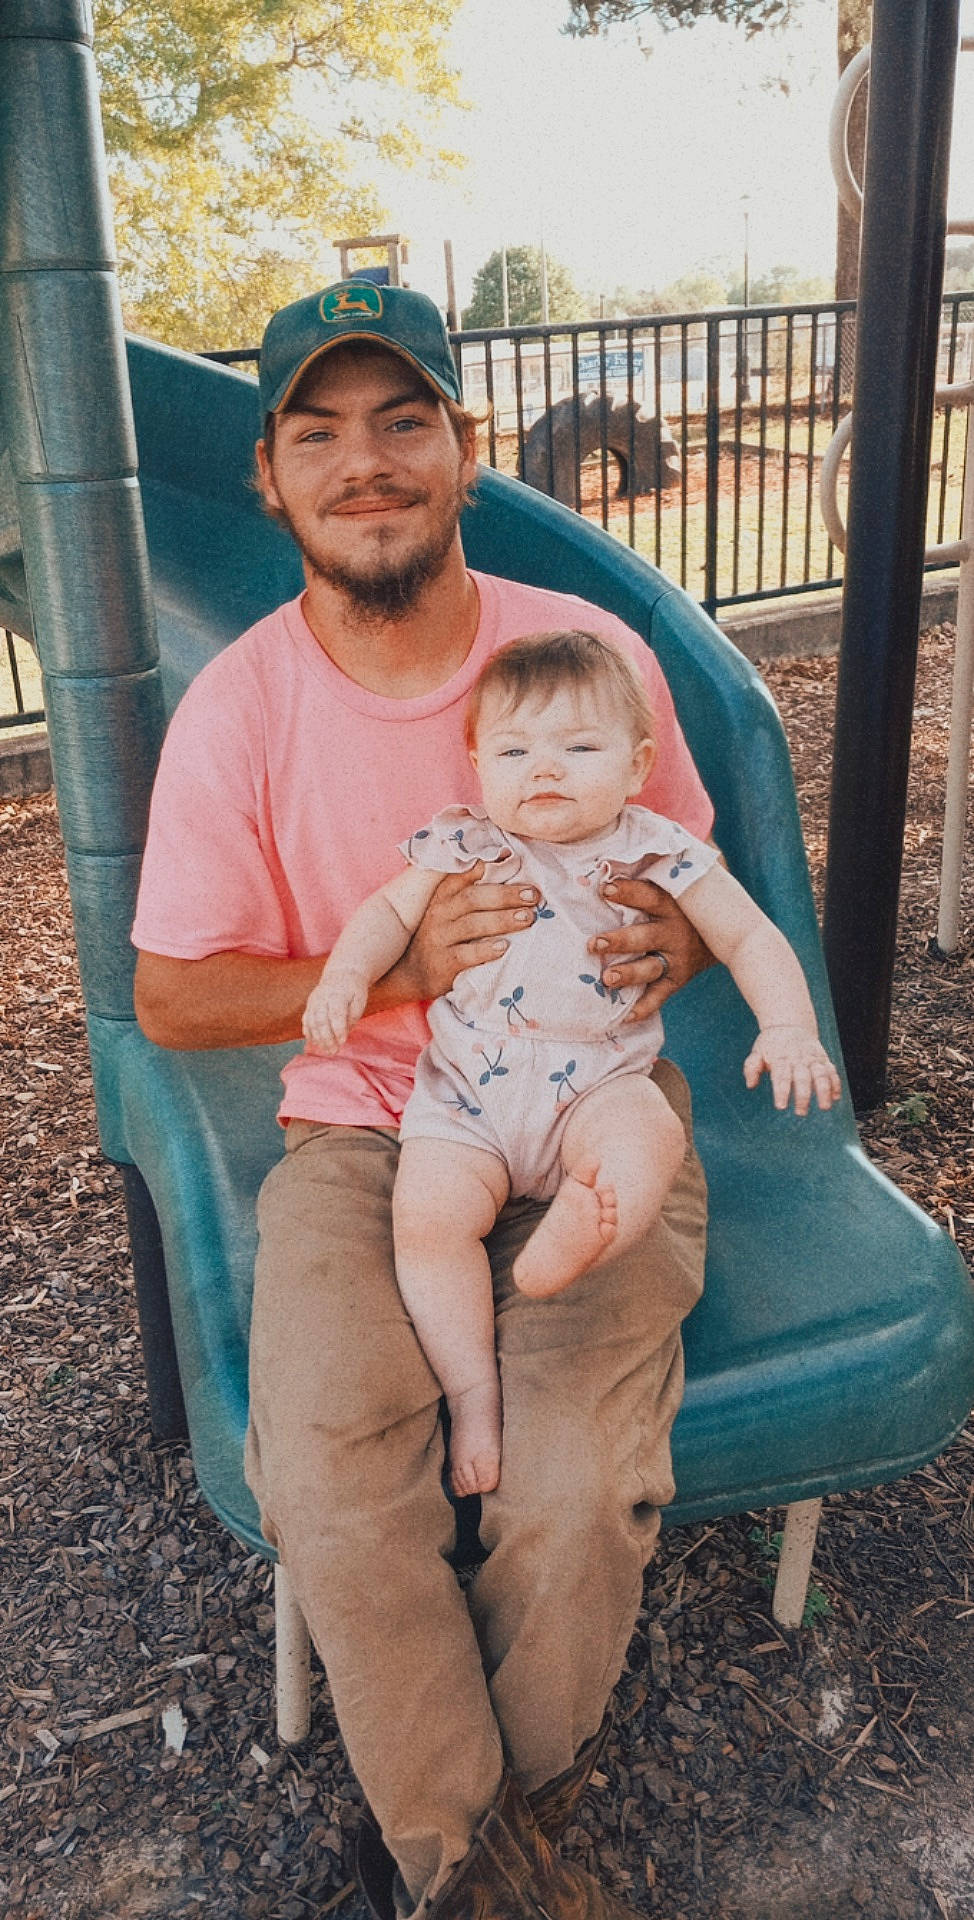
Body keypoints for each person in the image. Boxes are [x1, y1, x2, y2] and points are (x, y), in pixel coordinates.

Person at [132, 280, 719, 1920]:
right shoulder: (240, 707)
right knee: (318, 1471)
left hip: (596, 1099)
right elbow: (171, 994)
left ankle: (496, 1834)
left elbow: (694, 882)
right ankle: (481, 1860)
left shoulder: (583, 652)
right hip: (366, 1132)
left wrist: (659, 931)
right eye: (319, 430)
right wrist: (388, 974)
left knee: (571, 1484)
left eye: (403, 421)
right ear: (266, 476)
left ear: (464, 451)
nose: (364, 460)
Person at [303, 629, 840, 1501]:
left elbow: (745, 934)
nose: (543, 769)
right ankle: (475, 1397)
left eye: (579, 748)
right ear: (477, 763)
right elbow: (383, 917)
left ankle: (589, 1224)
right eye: (515, 750)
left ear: (637, 765)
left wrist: (786, 1025)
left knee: (646, 1135)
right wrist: (344, 979)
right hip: (470, 1096)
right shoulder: (463, 842)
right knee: (427, 1222)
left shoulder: (654, 847)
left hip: (598, 1082)